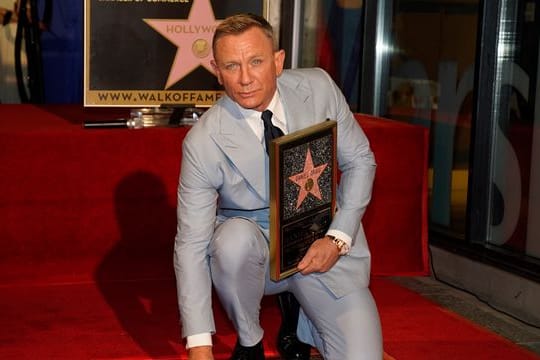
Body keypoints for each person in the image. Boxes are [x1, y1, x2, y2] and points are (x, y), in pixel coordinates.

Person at [174, 13, 382, 360]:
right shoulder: (203, 141)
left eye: (256, 61)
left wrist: (337, 238)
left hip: (321, 245)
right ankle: (250, 338)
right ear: (216, 70)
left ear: (278, 61)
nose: (244, 79)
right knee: (231, 243)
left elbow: (360, 161)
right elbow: (190, 243)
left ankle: (301, 315)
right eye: (231, 65)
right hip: (254, 253)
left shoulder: (319, 89)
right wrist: (199, 345)